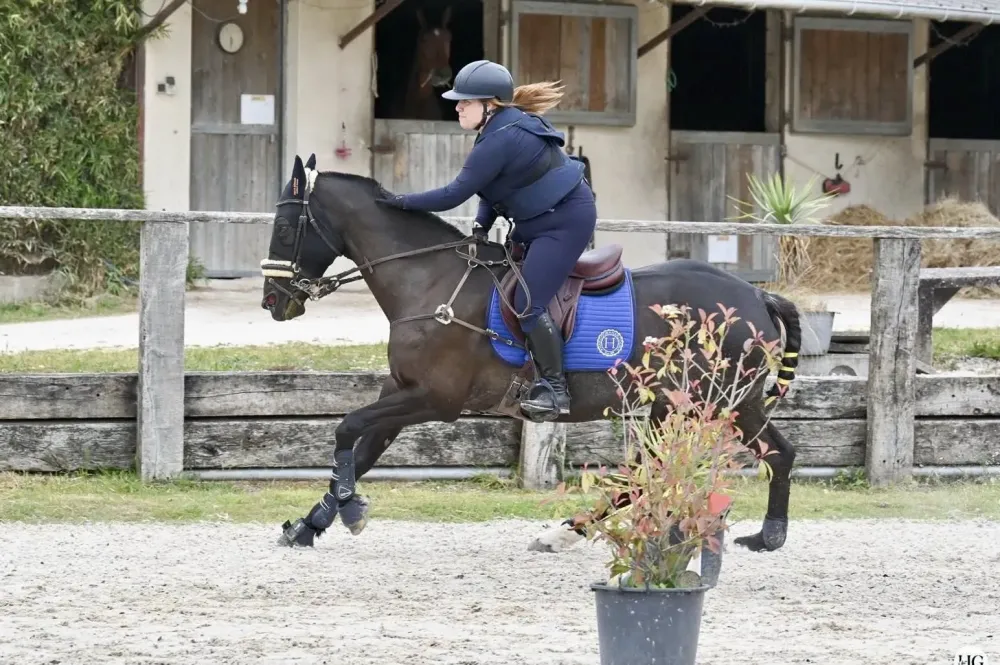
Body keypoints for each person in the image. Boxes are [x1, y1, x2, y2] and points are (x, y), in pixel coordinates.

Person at [376, 59, 597, 419]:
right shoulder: (496, 130)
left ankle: (556, 390)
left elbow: (453, 194)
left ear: (490, 105)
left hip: (564, 223)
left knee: (528, 303)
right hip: (539, 220)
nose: (458, 106)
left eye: (466, 101)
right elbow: (491, 190)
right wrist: (480, 227)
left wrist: (399, 202)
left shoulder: (502, 136)